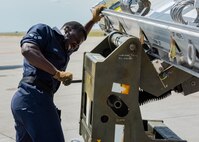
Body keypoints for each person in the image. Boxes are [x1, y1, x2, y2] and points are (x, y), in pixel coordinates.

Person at [11, 4, 106, 142]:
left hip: (30, 101)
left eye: (77, 45)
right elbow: (27, 50)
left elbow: (80, 34)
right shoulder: (45, 31)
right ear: (66, 30)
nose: (74, 47)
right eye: (74, 43)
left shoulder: (66, 48)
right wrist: (57, 73)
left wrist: (93, 21)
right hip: (33, 97)